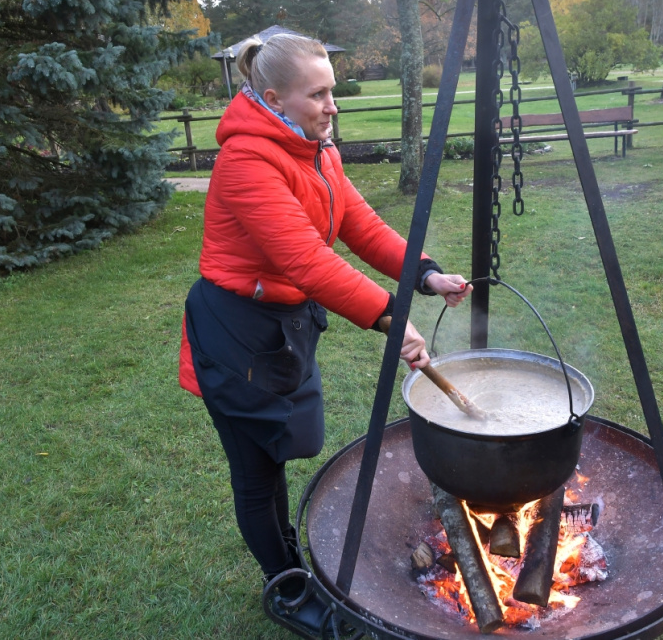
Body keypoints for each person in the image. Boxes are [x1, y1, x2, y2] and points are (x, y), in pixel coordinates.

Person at [177, 33, 472, 634]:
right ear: (272, 99)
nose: (332, 105)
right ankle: (287, 587)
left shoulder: (316, 150)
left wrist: (424, 274)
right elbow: (305, 260)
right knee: (256, 470)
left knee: (288, 445)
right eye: (317, 94)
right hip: (236, 335)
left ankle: (287, 556)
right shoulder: (245, 162)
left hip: (284, 328)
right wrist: (390, 318)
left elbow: (360, 225)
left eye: (332, 91)